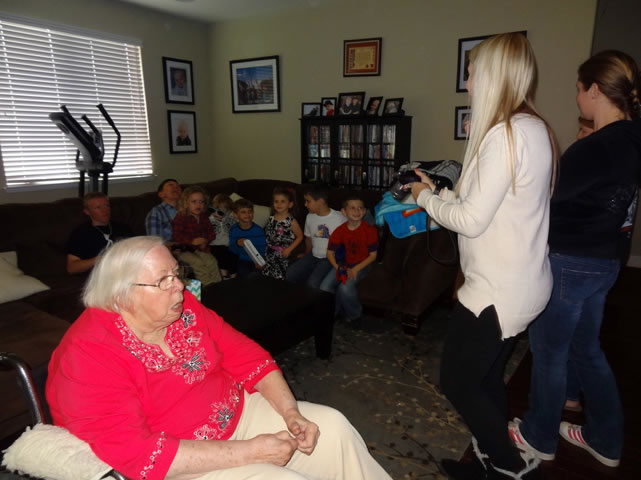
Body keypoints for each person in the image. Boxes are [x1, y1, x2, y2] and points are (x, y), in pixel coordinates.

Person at [45, 236, 392, 480]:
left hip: (238, 413)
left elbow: (246, 356)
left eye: (176, 273)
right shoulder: (88, 357)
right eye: (163, 281)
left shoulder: (182, 307)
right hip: (181, 461)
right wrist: (251, 452)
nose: (179, 287)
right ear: (121, 297)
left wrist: (291, 413)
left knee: (332, 427)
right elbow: (137, 453)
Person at [411, 33, 556, 479]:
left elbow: (471, 221)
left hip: (497, 291)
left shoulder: (506, 134)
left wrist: (422, 198)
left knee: (457, 382)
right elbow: (491, 206)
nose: (468, 83)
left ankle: (511, 468)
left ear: (492, 76)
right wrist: (440, 192)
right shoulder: (532, 127)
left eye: (472, 73)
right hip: (523, 282)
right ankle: (491, 462)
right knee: (487, 377)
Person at [510, 50, 641, 469]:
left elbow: (545, 198)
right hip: (606, 262)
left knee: (550, 351)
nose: (577, 97)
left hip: (570, 261)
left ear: (595, 90)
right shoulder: (632, 137)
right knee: (586, 349)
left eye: (579, 89)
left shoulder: (596, 147)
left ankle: (538, 436)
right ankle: (605, 438)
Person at [320, 196, 377, 325]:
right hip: (343, 264)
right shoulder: (339, 231)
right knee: (325, 287)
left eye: (360, 208)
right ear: (344, 212)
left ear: (364, 211)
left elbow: (373, 255)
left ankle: (356, 316)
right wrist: (338, 268)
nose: (357, 211)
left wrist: (355, 269)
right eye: (352, 208)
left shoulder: (370, 231)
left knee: (345, 287)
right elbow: (330, 253)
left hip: (362, 264)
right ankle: (333, 313)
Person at [285, 183, 345, 288]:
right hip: (313, 255)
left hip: (329, 258)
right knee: (290, 274)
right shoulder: (310, 217)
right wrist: (306, 254)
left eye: (308, 201)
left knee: (313, 283)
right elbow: (308, 239)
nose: (305, 204)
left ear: (321, 201)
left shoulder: (340, 218)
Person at [66, 192, 132, 274]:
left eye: (107, 206)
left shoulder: (123, 228)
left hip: (127, 269)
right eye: (98, 207)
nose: (105, 210)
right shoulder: (80, 233)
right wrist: (101, 259)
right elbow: (72, 268)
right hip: (101, 274)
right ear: (87, 212)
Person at [171, 186, 222, 286]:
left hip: (200, 249)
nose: (198, 205)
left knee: (211, 261)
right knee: (198, 263)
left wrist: (206, 240)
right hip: (183, 250)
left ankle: (218, 286)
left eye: (201, 202)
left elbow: (211, 233)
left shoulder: (204, 217)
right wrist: (192, 241)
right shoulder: (181, 217)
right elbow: (177, 236)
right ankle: (207, 286)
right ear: (186, 203)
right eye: (194, 202)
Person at [262, 186, 303, 280]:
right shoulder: (271, 218)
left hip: (283, 255)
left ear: (290, 204)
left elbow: (300, 237)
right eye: (276, 201)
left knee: (280, 279)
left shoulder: (291, 221)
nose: (279, 204)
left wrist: (289, 249)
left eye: (282, 201)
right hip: (269, 254)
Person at [229, 198, 267, 277]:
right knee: (242, 273)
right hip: (243, 260)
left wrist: (261, 261)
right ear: (236, 215)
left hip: (257, 260)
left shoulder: (258, 230)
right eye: (243, 212)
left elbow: (264, 249)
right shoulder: (234, 230)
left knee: (256, 274)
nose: (247, 214)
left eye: (250, 211)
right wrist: (237, 243)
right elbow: (232, 249)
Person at [209, 193, 237, 279]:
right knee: (220, 254)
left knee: (234, 255)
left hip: (228, 245)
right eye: (214, 210)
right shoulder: (209, 220)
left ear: (228, 212)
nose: (216, 213)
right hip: (214, 245)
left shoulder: (231, 220)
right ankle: (224, 275)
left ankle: (233, 275)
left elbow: (236, 230)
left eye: (220, 212)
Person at [145, 178, 182, 243]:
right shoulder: (156, 212)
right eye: (170, 185)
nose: (176, 187)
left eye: (178, 186)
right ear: (161, 194)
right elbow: (155, 242)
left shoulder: (189, 208)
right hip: (171, 247)